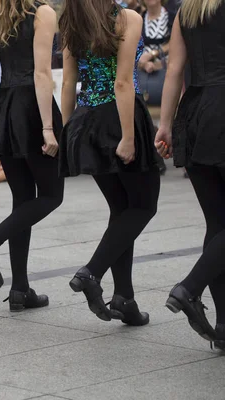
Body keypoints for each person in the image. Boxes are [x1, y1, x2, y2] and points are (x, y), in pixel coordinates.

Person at [59, 0, 160, 324]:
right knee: (143, 206)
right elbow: (122, 82)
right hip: (119, 118)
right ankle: (92, 272)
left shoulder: (72, 21)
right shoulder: (126, 18)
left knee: (121, 211)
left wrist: (65, 133)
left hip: (87, 120)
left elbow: (67, 82)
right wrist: (128, 137)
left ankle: (124, 299)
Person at [0, 0, 64, 311]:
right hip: (32, 109)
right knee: (51, 196)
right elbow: (41, 73)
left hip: (4, 108)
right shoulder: (42, 13)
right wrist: (48, 128)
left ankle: (20, 289)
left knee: (22, 201)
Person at [155, 0, 225, 348]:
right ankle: (190, 288)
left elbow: (174, 71)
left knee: (216, 224)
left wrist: (165, 124)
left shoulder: (187, 10)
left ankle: (224, 326)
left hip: (194, 112)